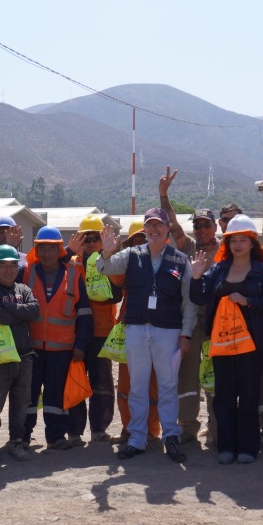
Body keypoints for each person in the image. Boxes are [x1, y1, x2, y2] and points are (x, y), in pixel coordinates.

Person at [96, 179, 198, 463]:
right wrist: (107, 250)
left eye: (159, 225)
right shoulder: (131, 255)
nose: (154, 230)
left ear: (167, 229)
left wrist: (186, 334)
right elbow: (104, 268)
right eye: (149, 225)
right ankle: (137, 438)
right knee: (138, 387)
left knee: (167, 387)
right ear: (144, 229)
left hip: (168, 331)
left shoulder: (180, 260)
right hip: (137, 330)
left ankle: (171, 437)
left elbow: (189, 302)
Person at [189, 215, 263, 464]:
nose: (238, 245)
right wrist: (196, 277)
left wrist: (248, 301)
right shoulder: (218, 270)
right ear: (227, 243)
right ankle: (226, 446)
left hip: (252, 344)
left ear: (252, 243)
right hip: (222, 343)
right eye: (233, 240)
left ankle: (248, 447)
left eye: (243, 240)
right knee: (224, 395)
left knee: (249, 394)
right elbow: (199, 298)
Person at [24, 226, 92, 449]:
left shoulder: (73, 273)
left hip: (62, 349)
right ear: (36, 250)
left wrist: (80, 345)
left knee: (56, 396)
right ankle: (23, 436)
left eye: (51, 248)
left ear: (59, 250)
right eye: (42, 248)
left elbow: (84, 313)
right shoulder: (27, 272)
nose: (46, 253)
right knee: (28, 395)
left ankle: (55, 438)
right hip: (31, 348)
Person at [0, 245, 38, 463]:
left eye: (12, 265)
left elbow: (34, 311)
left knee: (21, 404)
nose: (8, 270)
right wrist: (20, 312)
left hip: (24, 355)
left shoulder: (23, 289)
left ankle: (16, 442)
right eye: (3, 265)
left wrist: (10, 309)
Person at [67, 214, 119, 445]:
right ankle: (74, 432)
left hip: (101, 332)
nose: (89, 242)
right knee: (76, 381)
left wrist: (106, 259)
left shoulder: (110, 261)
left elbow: (117, 294)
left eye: (94, 238)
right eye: (85, 238)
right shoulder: (71, 261)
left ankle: (99, 429)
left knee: (102, 384)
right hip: (75, 334)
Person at [110, 218, 162, 446]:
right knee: (126, 385)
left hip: (158, 330)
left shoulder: (164, 263)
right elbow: (114, 276)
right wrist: (111, 252)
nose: (141, 245)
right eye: (136, 241)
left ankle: (151, 430)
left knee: (152, 384)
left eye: (144, 239)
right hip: (130, 330)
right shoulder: (126, 265)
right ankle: (129, 428)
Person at [174, 205, 220, 447]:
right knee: (188, 376)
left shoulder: (225, 250)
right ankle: (188, 427)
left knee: (213, 376)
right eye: (197, 225)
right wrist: (164, 196)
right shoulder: (190, 247)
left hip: (215, 323)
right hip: (191, 321)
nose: (202, 229)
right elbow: (173, 226)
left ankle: (216, 429)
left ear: (215, 226)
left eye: (206, 225)